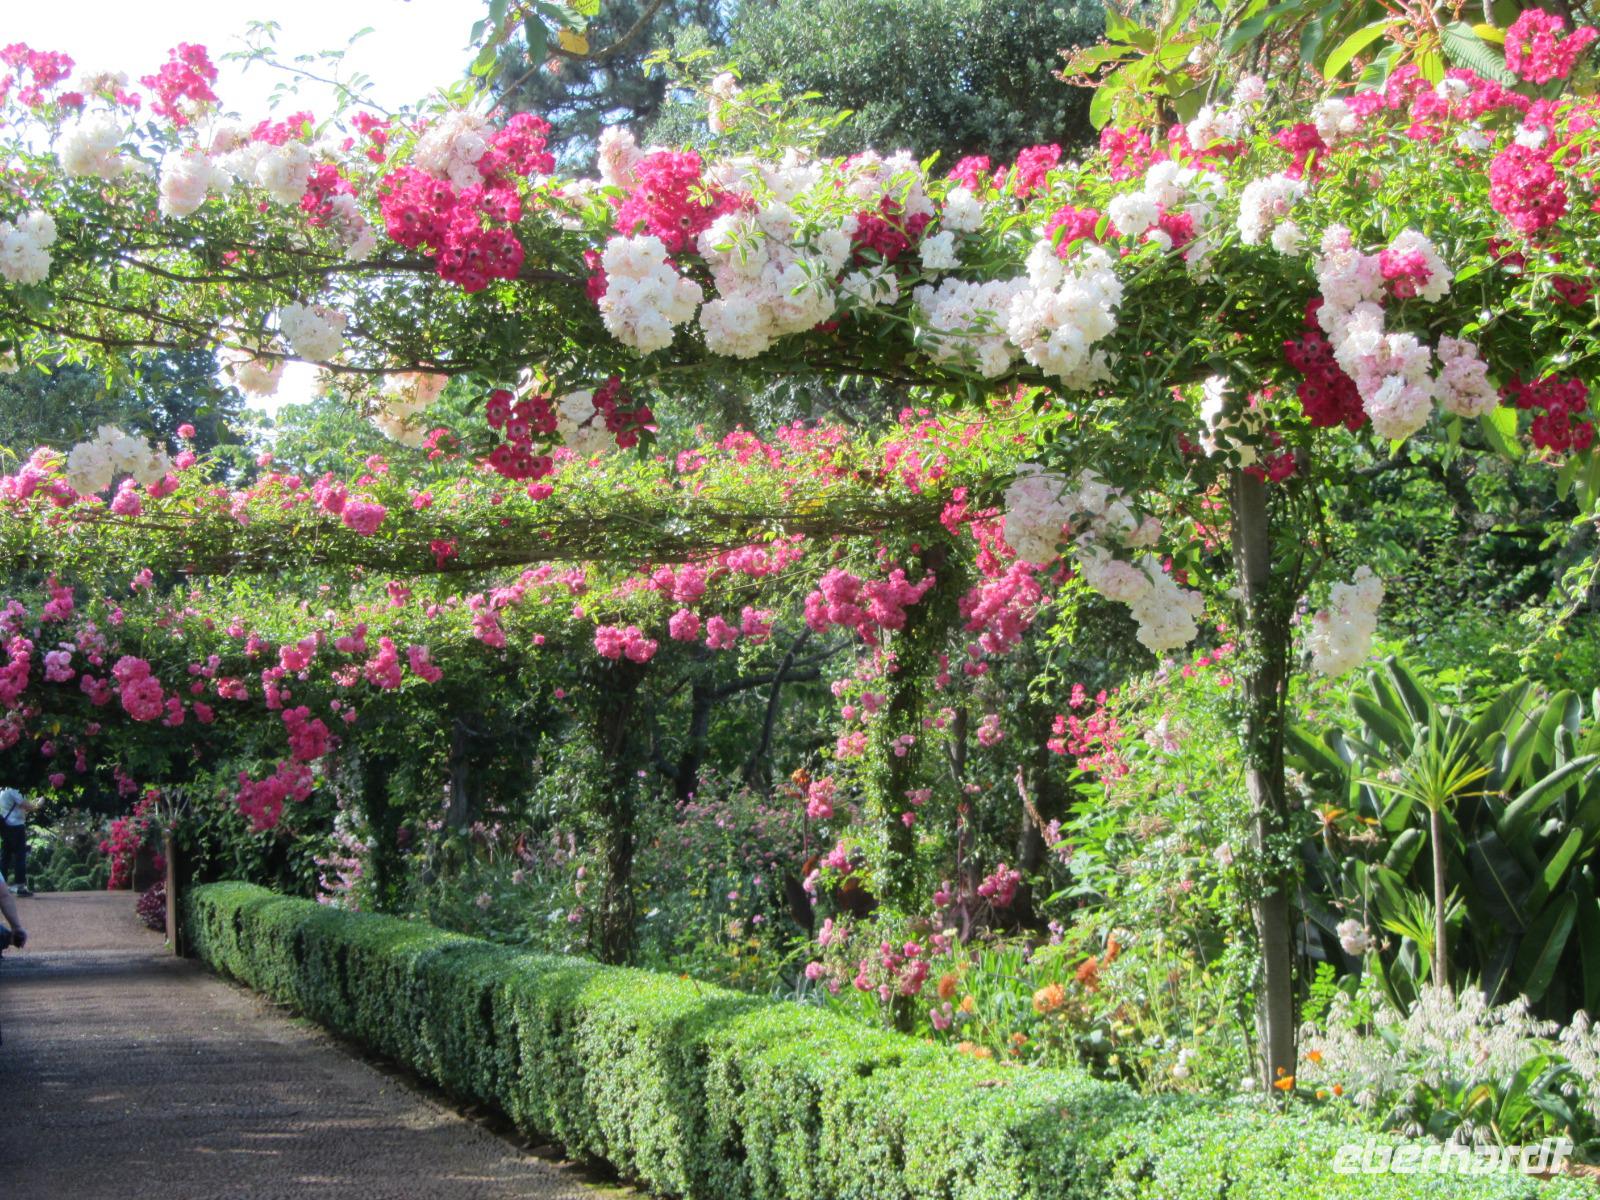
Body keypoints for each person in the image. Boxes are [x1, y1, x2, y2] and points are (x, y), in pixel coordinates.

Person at [0, 787, 30, 897]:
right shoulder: (14, 789)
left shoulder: (2, 790)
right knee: (20, 857)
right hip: (16, 826)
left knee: (5, 857)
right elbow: (25, 805)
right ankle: (21, 887)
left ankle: (1, 885)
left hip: (5, 825)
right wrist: (38, 804)